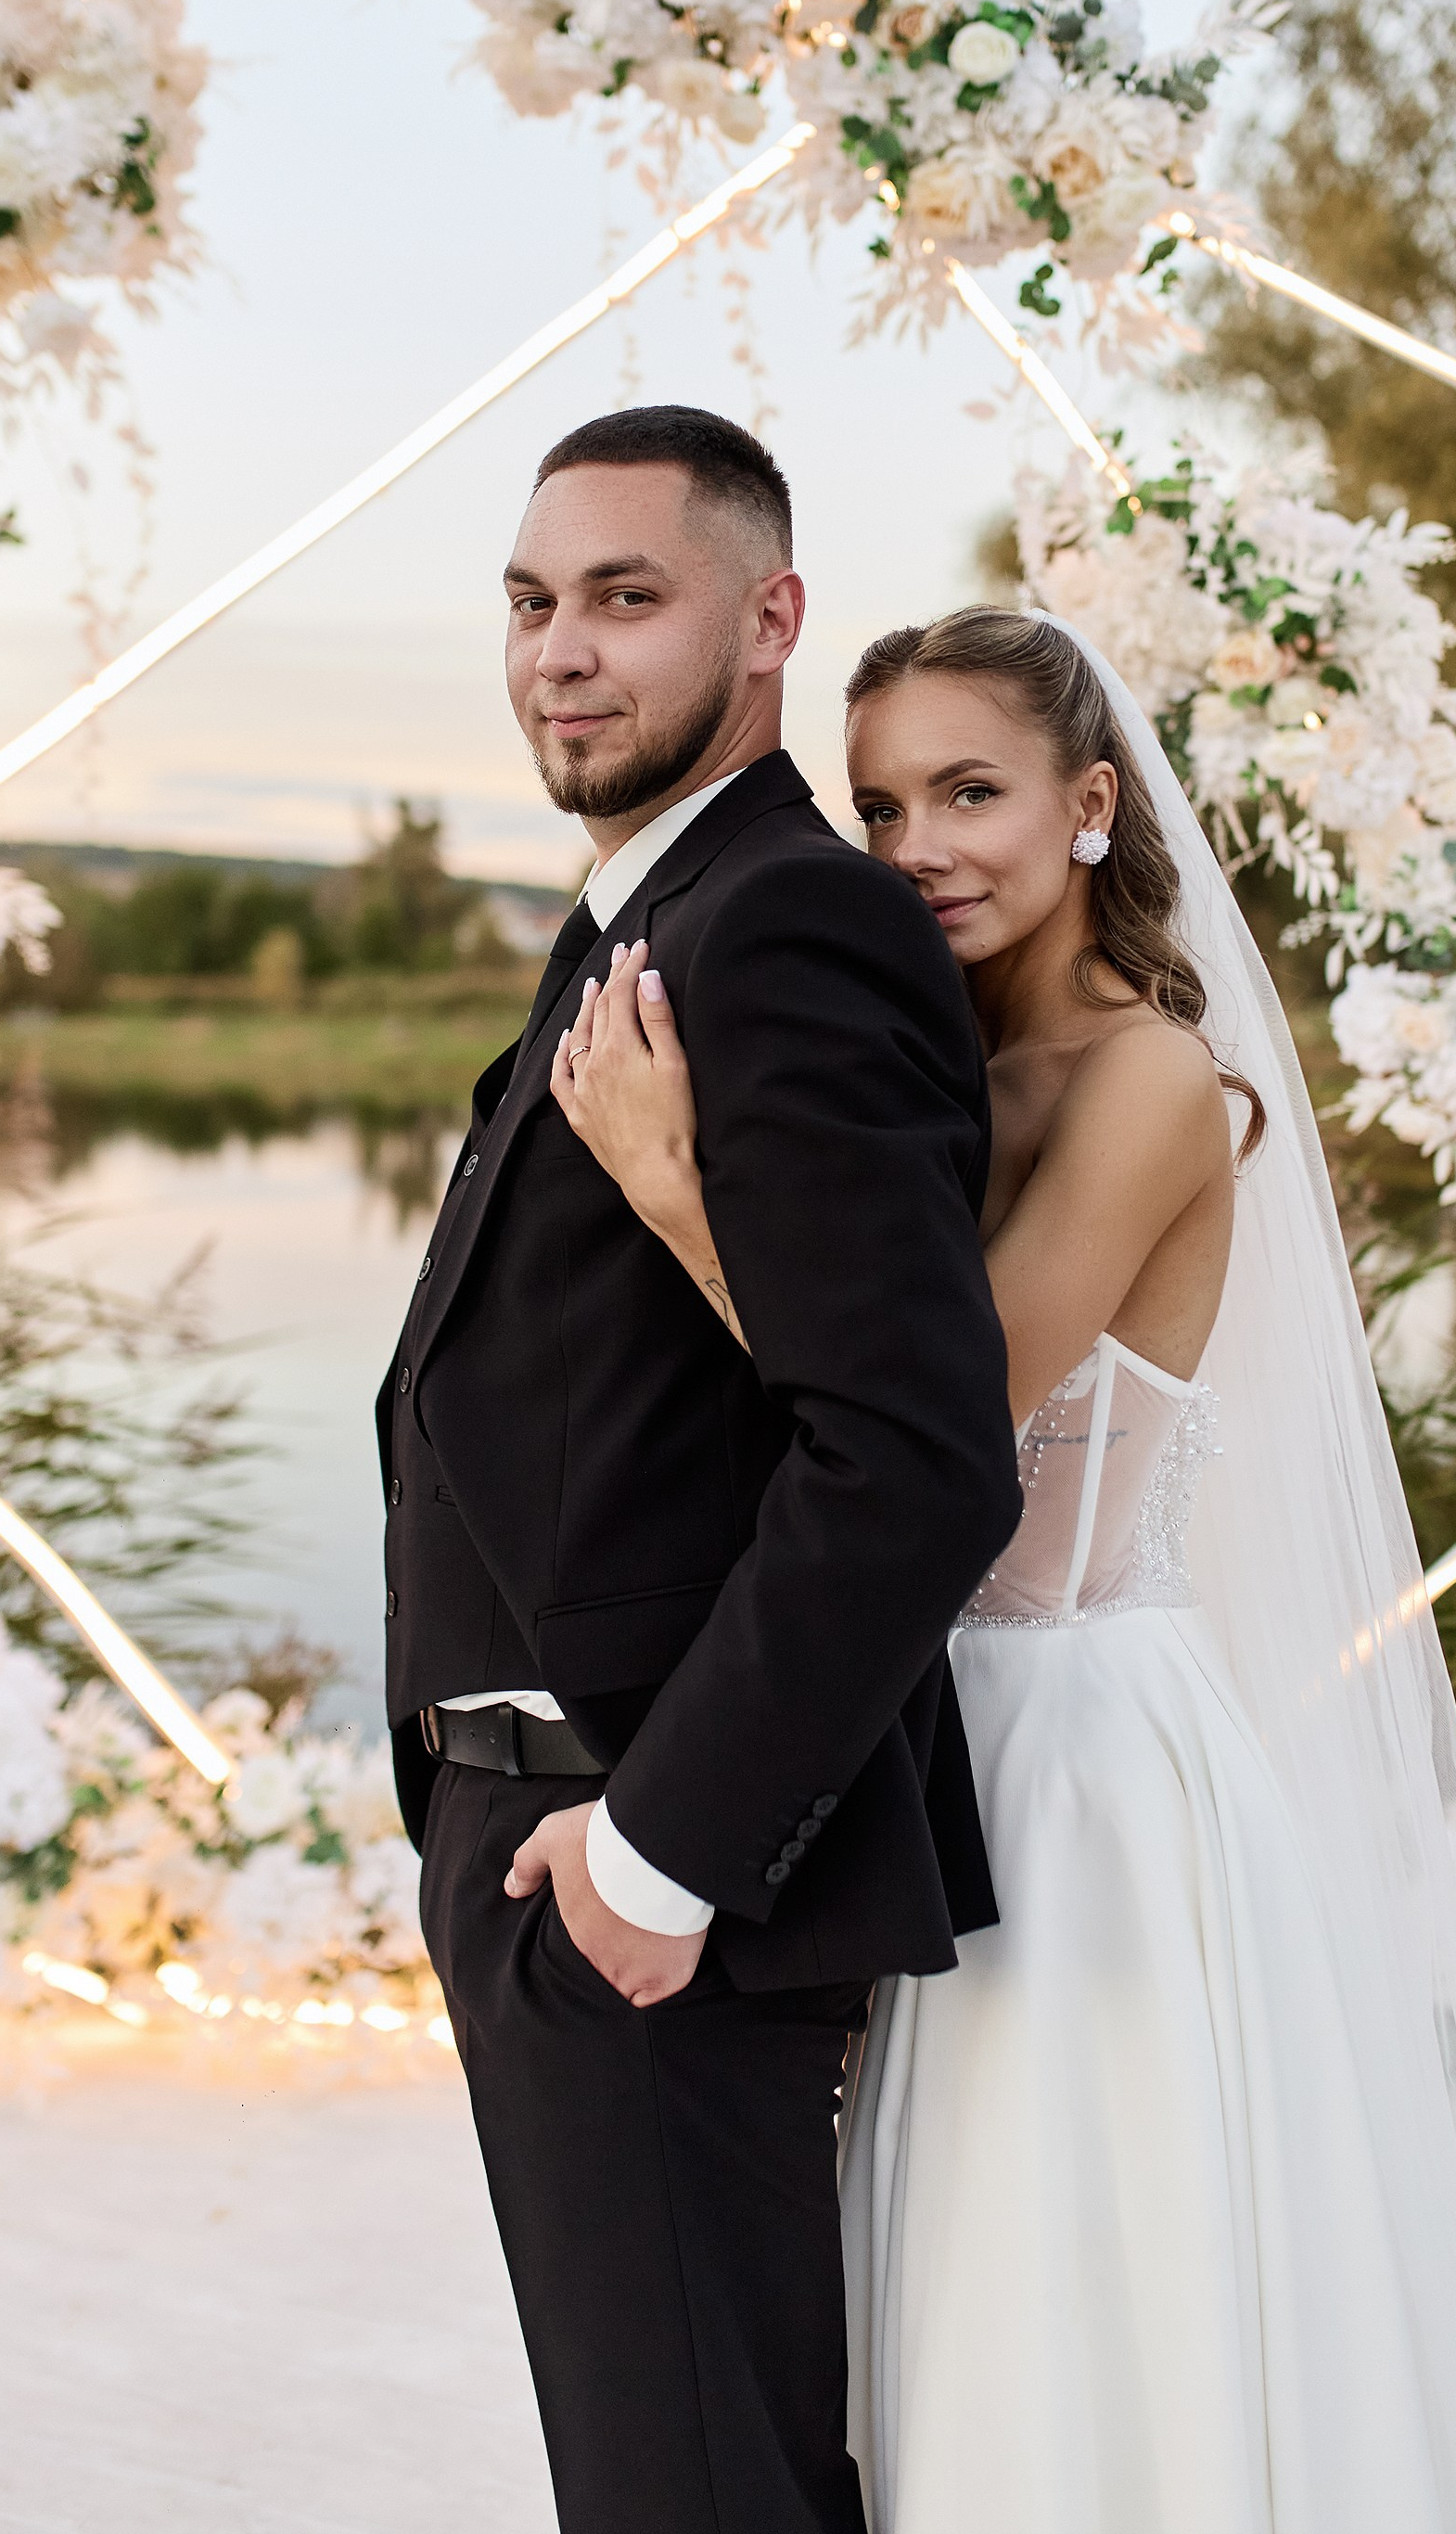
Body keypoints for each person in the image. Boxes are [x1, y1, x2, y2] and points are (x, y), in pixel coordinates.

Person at [558, 606, 1456, 2534]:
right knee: (945, 2288)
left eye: (970, 792)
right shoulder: (917, 1068)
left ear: (1091, 804)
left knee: (1099, 2272)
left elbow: (941, 1419)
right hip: (909, 1729)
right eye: (876, 807)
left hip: (1086, 1757)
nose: (917, 844)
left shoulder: (1152, 1083)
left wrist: (681, 1198)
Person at [378, 409, 1022, 2534]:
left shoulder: (790, 930)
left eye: (625, 599)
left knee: (700, 2493)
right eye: (532, 601)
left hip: (655, 1867)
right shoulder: (638, 918)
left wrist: (656, 1859)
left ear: (769, 627)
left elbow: (914, 1457)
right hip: (544, 1832)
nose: (560, 650)